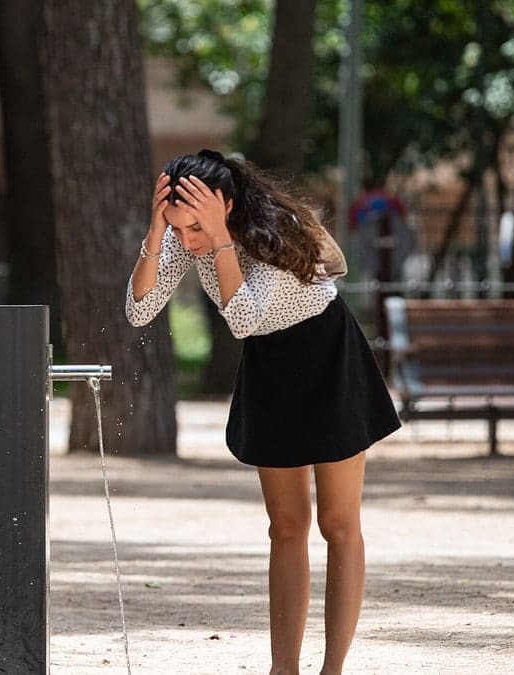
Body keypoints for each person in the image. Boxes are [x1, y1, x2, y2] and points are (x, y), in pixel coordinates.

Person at [125, 150, 401, 675]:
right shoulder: (191, 238)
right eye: (179, 229)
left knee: (338, 524)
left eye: (194, 228)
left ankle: (333, 670)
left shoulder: (279, 229)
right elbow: (140, 309)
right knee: (286, 526)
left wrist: (220, 240)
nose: (189, 241)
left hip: (326, 360)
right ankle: (284, 669)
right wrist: (156, 232)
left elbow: (244, 318)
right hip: (272, 370)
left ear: (225, 205)